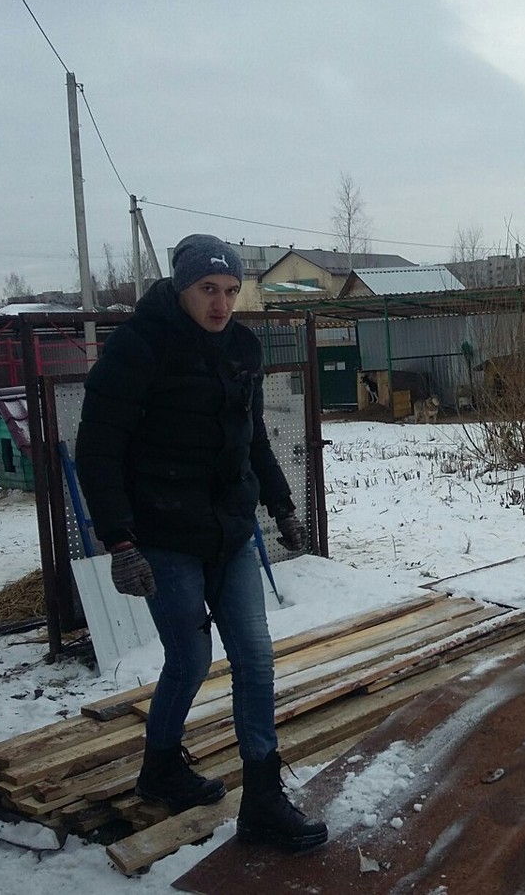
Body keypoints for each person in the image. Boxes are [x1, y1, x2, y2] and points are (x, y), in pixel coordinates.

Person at [75, 234, 327, 851]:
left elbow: (253, 434)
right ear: (181, 287)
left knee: (255, 658)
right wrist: (120, 541)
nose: (221, 304)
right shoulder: (139, 346)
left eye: (231, 291)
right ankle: (161, 767)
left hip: (230, 530)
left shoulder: (242, 346)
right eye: (208, 289)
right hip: (163, 534)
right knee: (189, 658)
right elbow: (98, 447)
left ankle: (262, 798)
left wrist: (281, 504)